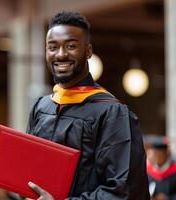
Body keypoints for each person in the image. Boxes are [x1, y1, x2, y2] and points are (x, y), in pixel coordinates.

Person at [25, 11, 150, 199]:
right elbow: (28, 173)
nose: (61, 54)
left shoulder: (112, 113)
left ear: (88, 51)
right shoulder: (42, 108)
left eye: (71, 46)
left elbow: (124, 191)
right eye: (52, 47)